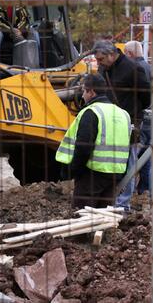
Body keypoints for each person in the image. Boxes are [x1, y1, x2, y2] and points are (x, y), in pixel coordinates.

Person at [56, 74, 132, 208]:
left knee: (82, 215)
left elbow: (83, 148)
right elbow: (128, 146)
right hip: (115, 174)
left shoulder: (92, 112)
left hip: (92, 175)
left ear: (91, 92)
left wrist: (73, 171)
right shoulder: (123, 113)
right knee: (103, 216)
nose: (83, 96)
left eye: (84, 91)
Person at [92, 40, 150, 209]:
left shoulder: (132, 69)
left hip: (128, 123)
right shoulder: (104, 69)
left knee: (129, 163)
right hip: (108, 123)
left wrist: (134, 114)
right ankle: (110, 199)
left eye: (101, 59)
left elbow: (147, 96)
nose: (98, 63)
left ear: (112, 54)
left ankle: (123, 204)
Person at [124, 40, 152, 195]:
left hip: (140, 117)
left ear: (129, 53)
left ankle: (130, 188)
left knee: (134, 154)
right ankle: (144, 187)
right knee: (146, 153)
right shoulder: (151, 68)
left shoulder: (135, 70)